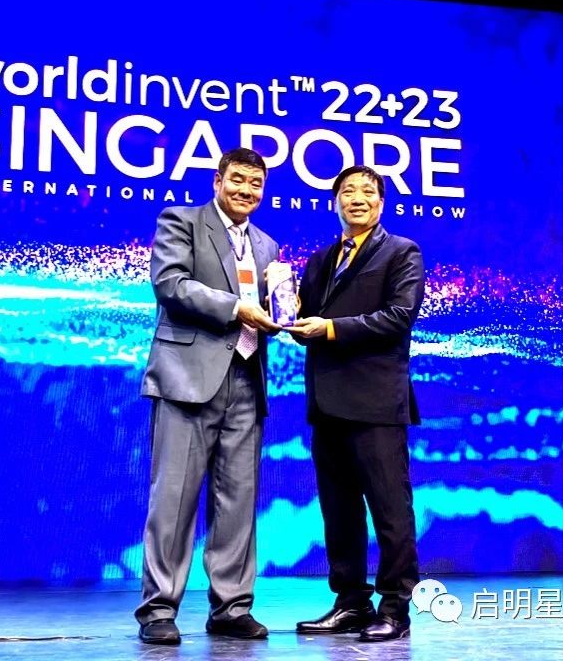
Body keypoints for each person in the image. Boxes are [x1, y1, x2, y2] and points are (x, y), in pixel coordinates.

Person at [135, 147, 286, 645]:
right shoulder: (181, 221)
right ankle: (159, 609)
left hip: (247, 380)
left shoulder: (267, 245)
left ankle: (232, 607)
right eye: (237, 180)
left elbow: (272, 308)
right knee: (173, 499)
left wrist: (288, 312)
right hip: (187, 379)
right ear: (218, 181)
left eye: (256, 184)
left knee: (238, 501)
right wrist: (238, 308)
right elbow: (170, 284)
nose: (246, 190)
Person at [287, 165, 425, 642]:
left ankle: (395, 607)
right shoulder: (320, 259)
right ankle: (350, 602)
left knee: (390, 512)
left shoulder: (402, 252)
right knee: (339, 513)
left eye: (368, 191)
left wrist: (329, 328)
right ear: (335, 202)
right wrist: (281, 304)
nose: (357, 198)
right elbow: (304, 324)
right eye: (348, 191)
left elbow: (398, 317)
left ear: (381, 203)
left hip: (376, 403)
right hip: (327, 403)